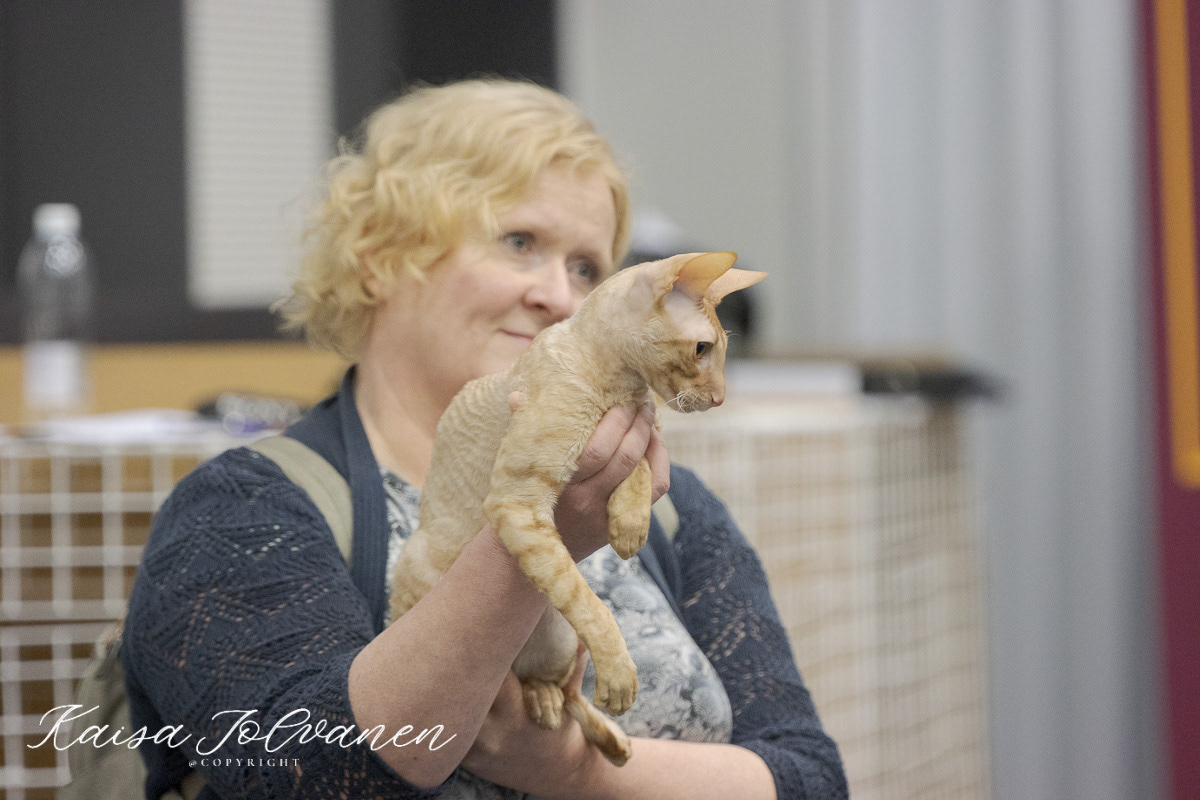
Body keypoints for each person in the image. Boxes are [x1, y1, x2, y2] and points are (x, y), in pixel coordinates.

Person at [122, 79, 847, 800]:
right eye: (519, 242)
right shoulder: (244, 509)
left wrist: (571, 769)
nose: (559, 297)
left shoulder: (666, 504)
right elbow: (308, 777)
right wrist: (528, 537)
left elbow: (809, 779)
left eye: (587, 268)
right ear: (379, 255)